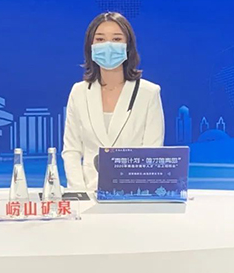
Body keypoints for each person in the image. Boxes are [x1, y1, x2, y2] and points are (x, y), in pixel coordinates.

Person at [62, 12, 165, 190]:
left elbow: (152, 152)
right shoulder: (79, 92)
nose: (108, 46)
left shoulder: (148, 93)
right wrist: (79, 192)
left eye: (116, 39)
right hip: (88, 194)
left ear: (128, 46)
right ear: (91, 46)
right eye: (100, 39)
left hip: (133, 195)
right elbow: (72, 150)